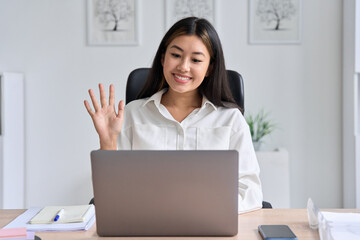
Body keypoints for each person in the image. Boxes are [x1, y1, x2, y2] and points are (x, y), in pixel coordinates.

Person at [84, 17, 263, 213]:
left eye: (195, 60)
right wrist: (107, 142)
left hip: (208, 224)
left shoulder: (230, 120)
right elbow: (112, 195)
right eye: (176, 55)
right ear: (163, 58)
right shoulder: (132, 115)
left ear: (210, 67)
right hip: (146, 225)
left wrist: (204, 209)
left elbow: (251, 192)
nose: (183, 67)